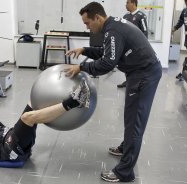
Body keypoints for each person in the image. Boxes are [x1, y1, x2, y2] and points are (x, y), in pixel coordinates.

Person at [64, 2, 162, 182]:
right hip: (139, 72)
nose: (87, 27)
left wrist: (81, 67)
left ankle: (124, 172)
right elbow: (109, 52)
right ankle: (126, 147)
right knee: (131, 116)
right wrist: (85, 50)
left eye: (87, 23)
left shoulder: (113, 31)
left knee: (134, 122)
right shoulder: (113, 26)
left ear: (97, 18)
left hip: (144, 74)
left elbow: (108, 64)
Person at [0, 80, 90, 161]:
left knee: (33, 103)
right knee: (27, 117)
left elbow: (1, 127)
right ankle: (75, 101)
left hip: (10, 136)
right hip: (10, 150)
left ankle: (69, 97)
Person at [117, 0, 148, 88]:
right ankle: (128, 81)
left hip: (137, 47)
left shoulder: (141, 16)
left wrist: (142, 47)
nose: (126, 5)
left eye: (127, 3)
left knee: (137, 65)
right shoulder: (125, 16)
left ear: (133, 3)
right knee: (128, 65)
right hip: (127, 47)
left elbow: (145, 33)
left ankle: (137, 82)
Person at [172, 0, 187, 81]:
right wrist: (174, 28)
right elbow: (181, 21)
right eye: (185, 1)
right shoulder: (184, 11)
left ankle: (184, 74)